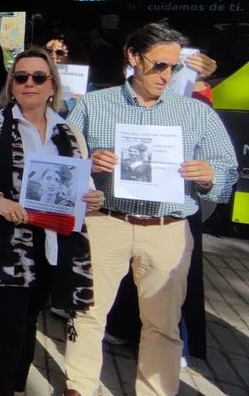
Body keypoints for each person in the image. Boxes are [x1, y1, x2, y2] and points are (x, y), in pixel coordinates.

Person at [62, 22, 237, 396]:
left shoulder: (196, 113)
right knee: (88, 311)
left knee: (162, 324)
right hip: (106, 221)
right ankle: (78, 386)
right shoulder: (94, 104)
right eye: (158, 65)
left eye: (173, 67)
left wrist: (208, 176)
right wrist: (88, 162)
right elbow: (61, 158)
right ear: (133, 57)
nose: (167, 75)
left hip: (168, 227)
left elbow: (227, 168)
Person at [0, 46, 105, 396]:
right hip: (6, 243)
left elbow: (81, 183)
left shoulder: (69, 133)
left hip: (53, 246)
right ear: (12, 84)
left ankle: (18, 386)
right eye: (21, 77)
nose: (29, 83)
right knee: (8, 326)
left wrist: (92, 197)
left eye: (39, 76)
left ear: (53, 85)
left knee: (28, 322)